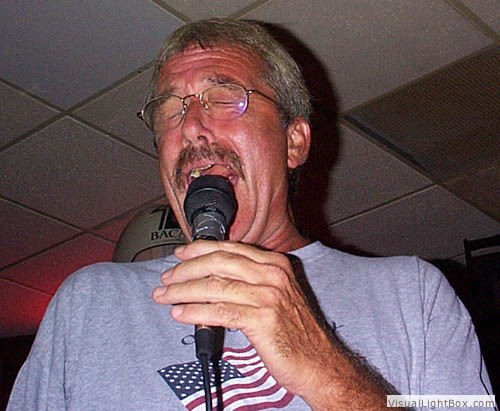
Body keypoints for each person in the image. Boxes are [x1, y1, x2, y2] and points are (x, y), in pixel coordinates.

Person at [8, 18, 494, 411]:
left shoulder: (415, 295)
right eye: (169, 110)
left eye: (223, 98)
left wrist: (324, 369)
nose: (190, 127)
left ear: (293, 141)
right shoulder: (90, 304)